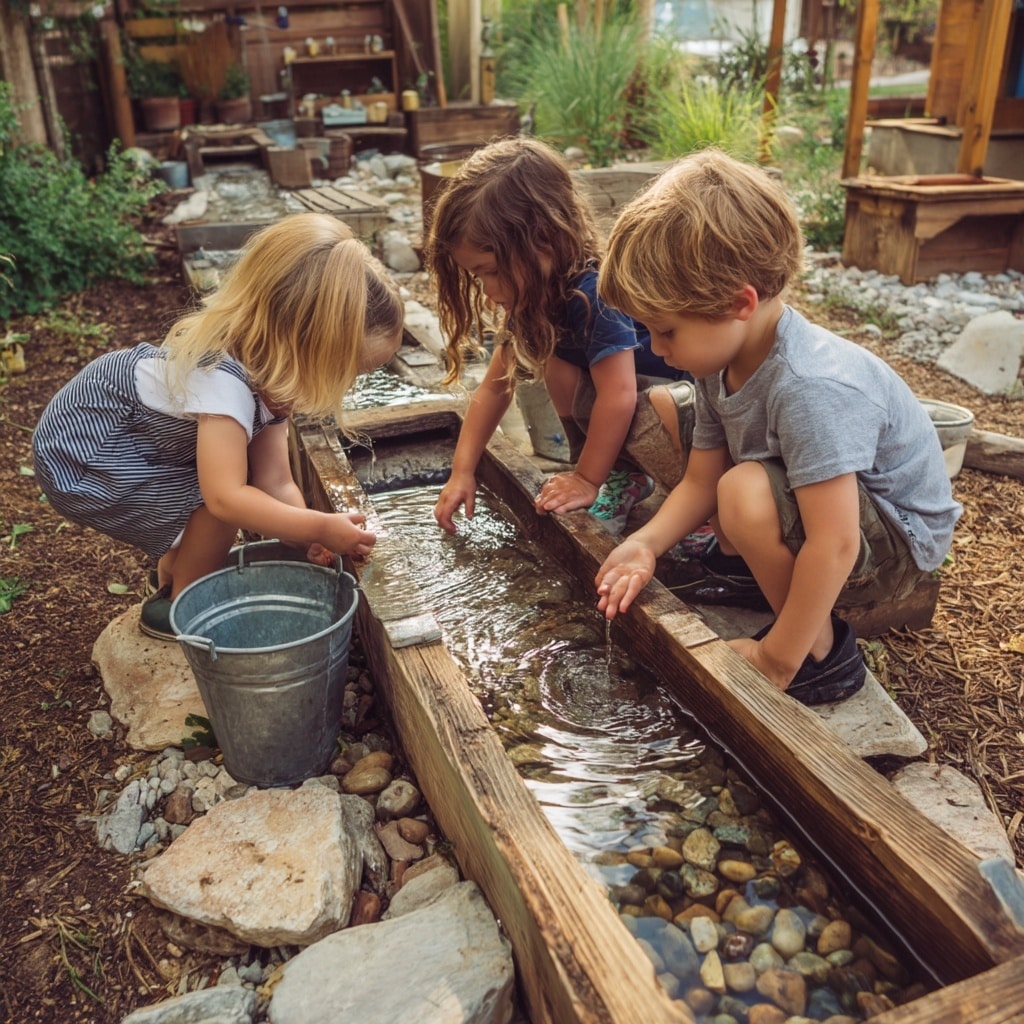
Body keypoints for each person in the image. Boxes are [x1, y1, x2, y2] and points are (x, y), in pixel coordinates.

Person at [594, 149, 962, 705]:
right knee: (685, 425)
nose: (658, 350)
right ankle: (755, 571)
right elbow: (698, 479)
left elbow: (836, 544)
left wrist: (774, 657)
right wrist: (646, 544)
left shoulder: (810, 386)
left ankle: (820, 656)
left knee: (743, 493)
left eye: (665, 332)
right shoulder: (723, 362)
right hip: (842, 518)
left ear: (739, 303)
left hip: (893, 549)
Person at [32, 213, 404, 641]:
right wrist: (318, 526)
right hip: (87, 453)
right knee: (220, 504)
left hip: (143, 447)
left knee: (231, 488)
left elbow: (275, 479)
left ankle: (172, 574)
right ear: (303, 343)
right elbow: (227, 499)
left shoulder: (274, 379)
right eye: (349, 370)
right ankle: (183, 607)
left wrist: (307, 532)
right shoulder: (222, 383)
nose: (350, 384)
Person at [425, 135, 695, 538]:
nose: (487, 290)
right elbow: (493, 389)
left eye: (493, 271)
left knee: (594, 387)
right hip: (639, 417)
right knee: (557, 365)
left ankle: (693, 505)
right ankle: (626, 477)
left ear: (544, 239)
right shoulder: (537, 298)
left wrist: (586, 478)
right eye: (476, 275)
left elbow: (619, 396)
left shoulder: (595, 294)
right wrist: (463, 471)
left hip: (687, 423)